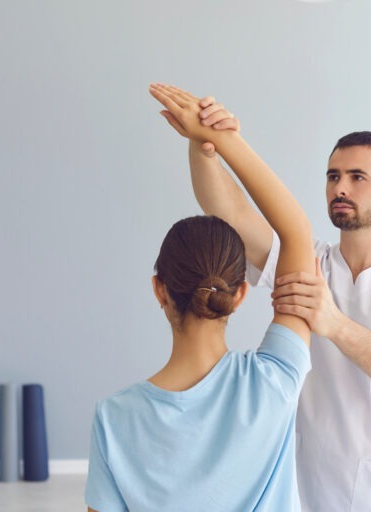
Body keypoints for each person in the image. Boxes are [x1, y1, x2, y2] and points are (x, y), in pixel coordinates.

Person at [187, 99, 371, 511]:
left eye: (357, 177)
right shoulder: (308, 260)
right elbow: (230, 212)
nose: (340, 188)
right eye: (333, 176)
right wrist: (204, 146)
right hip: (302, 484)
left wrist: (332, 321)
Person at [84, 84, 315, 512]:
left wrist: (204, 145)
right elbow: (296, 232)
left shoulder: (114, 417)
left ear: (160, 289)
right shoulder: (275, 382)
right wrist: (223, 140)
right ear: (240, 293)